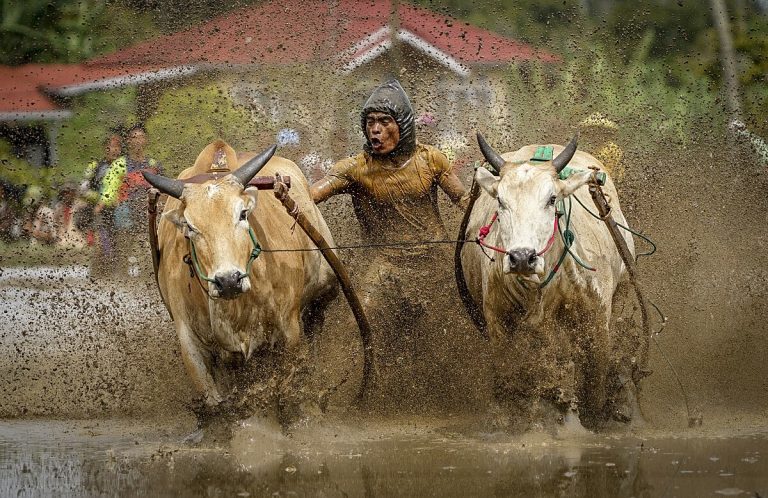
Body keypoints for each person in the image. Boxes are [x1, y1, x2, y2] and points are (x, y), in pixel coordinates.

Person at [310, 79, 471, 410]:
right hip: (385, 266)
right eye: (370, 123)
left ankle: (457, 397)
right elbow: (310, 196)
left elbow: (465, 201)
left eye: (385, 122)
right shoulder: (355, 168)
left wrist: (493, 193)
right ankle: (341, 396)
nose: (376, 131)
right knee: (357, 322)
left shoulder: (431, 160)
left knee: (455, 329)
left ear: (404, 125)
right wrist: (284, 189)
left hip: (437, 265)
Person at [95, 123, 162, 277]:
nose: (138, 141)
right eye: (134, 137)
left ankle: (149, 285)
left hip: (148, 216)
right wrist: (101, 205)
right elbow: (109, 189)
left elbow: (162, 189)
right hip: (125, 216)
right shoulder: (119, 164)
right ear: (128, 141)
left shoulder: (153, 165)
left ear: (146, 141)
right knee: (123, 256)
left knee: (148, 255)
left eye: (141, 137)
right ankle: (121, 286)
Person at [79, 130, 123, 266]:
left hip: (121, 210)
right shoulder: (95, 166)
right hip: (100, 210)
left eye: (117, 146)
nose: (114, 150)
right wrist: (100, 199)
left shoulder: (126, 165)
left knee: (121, 244)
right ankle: (100, 269)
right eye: (111, 146)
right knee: (101, 243)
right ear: (105, 148)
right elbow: (83, 190)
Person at [578, 113, 625, 181]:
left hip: (607, 179)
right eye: (591, 130)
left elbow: (614, 172)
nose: (593, 133)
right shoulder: (587, 147)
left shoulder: (613, 150)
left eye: (597, 130)